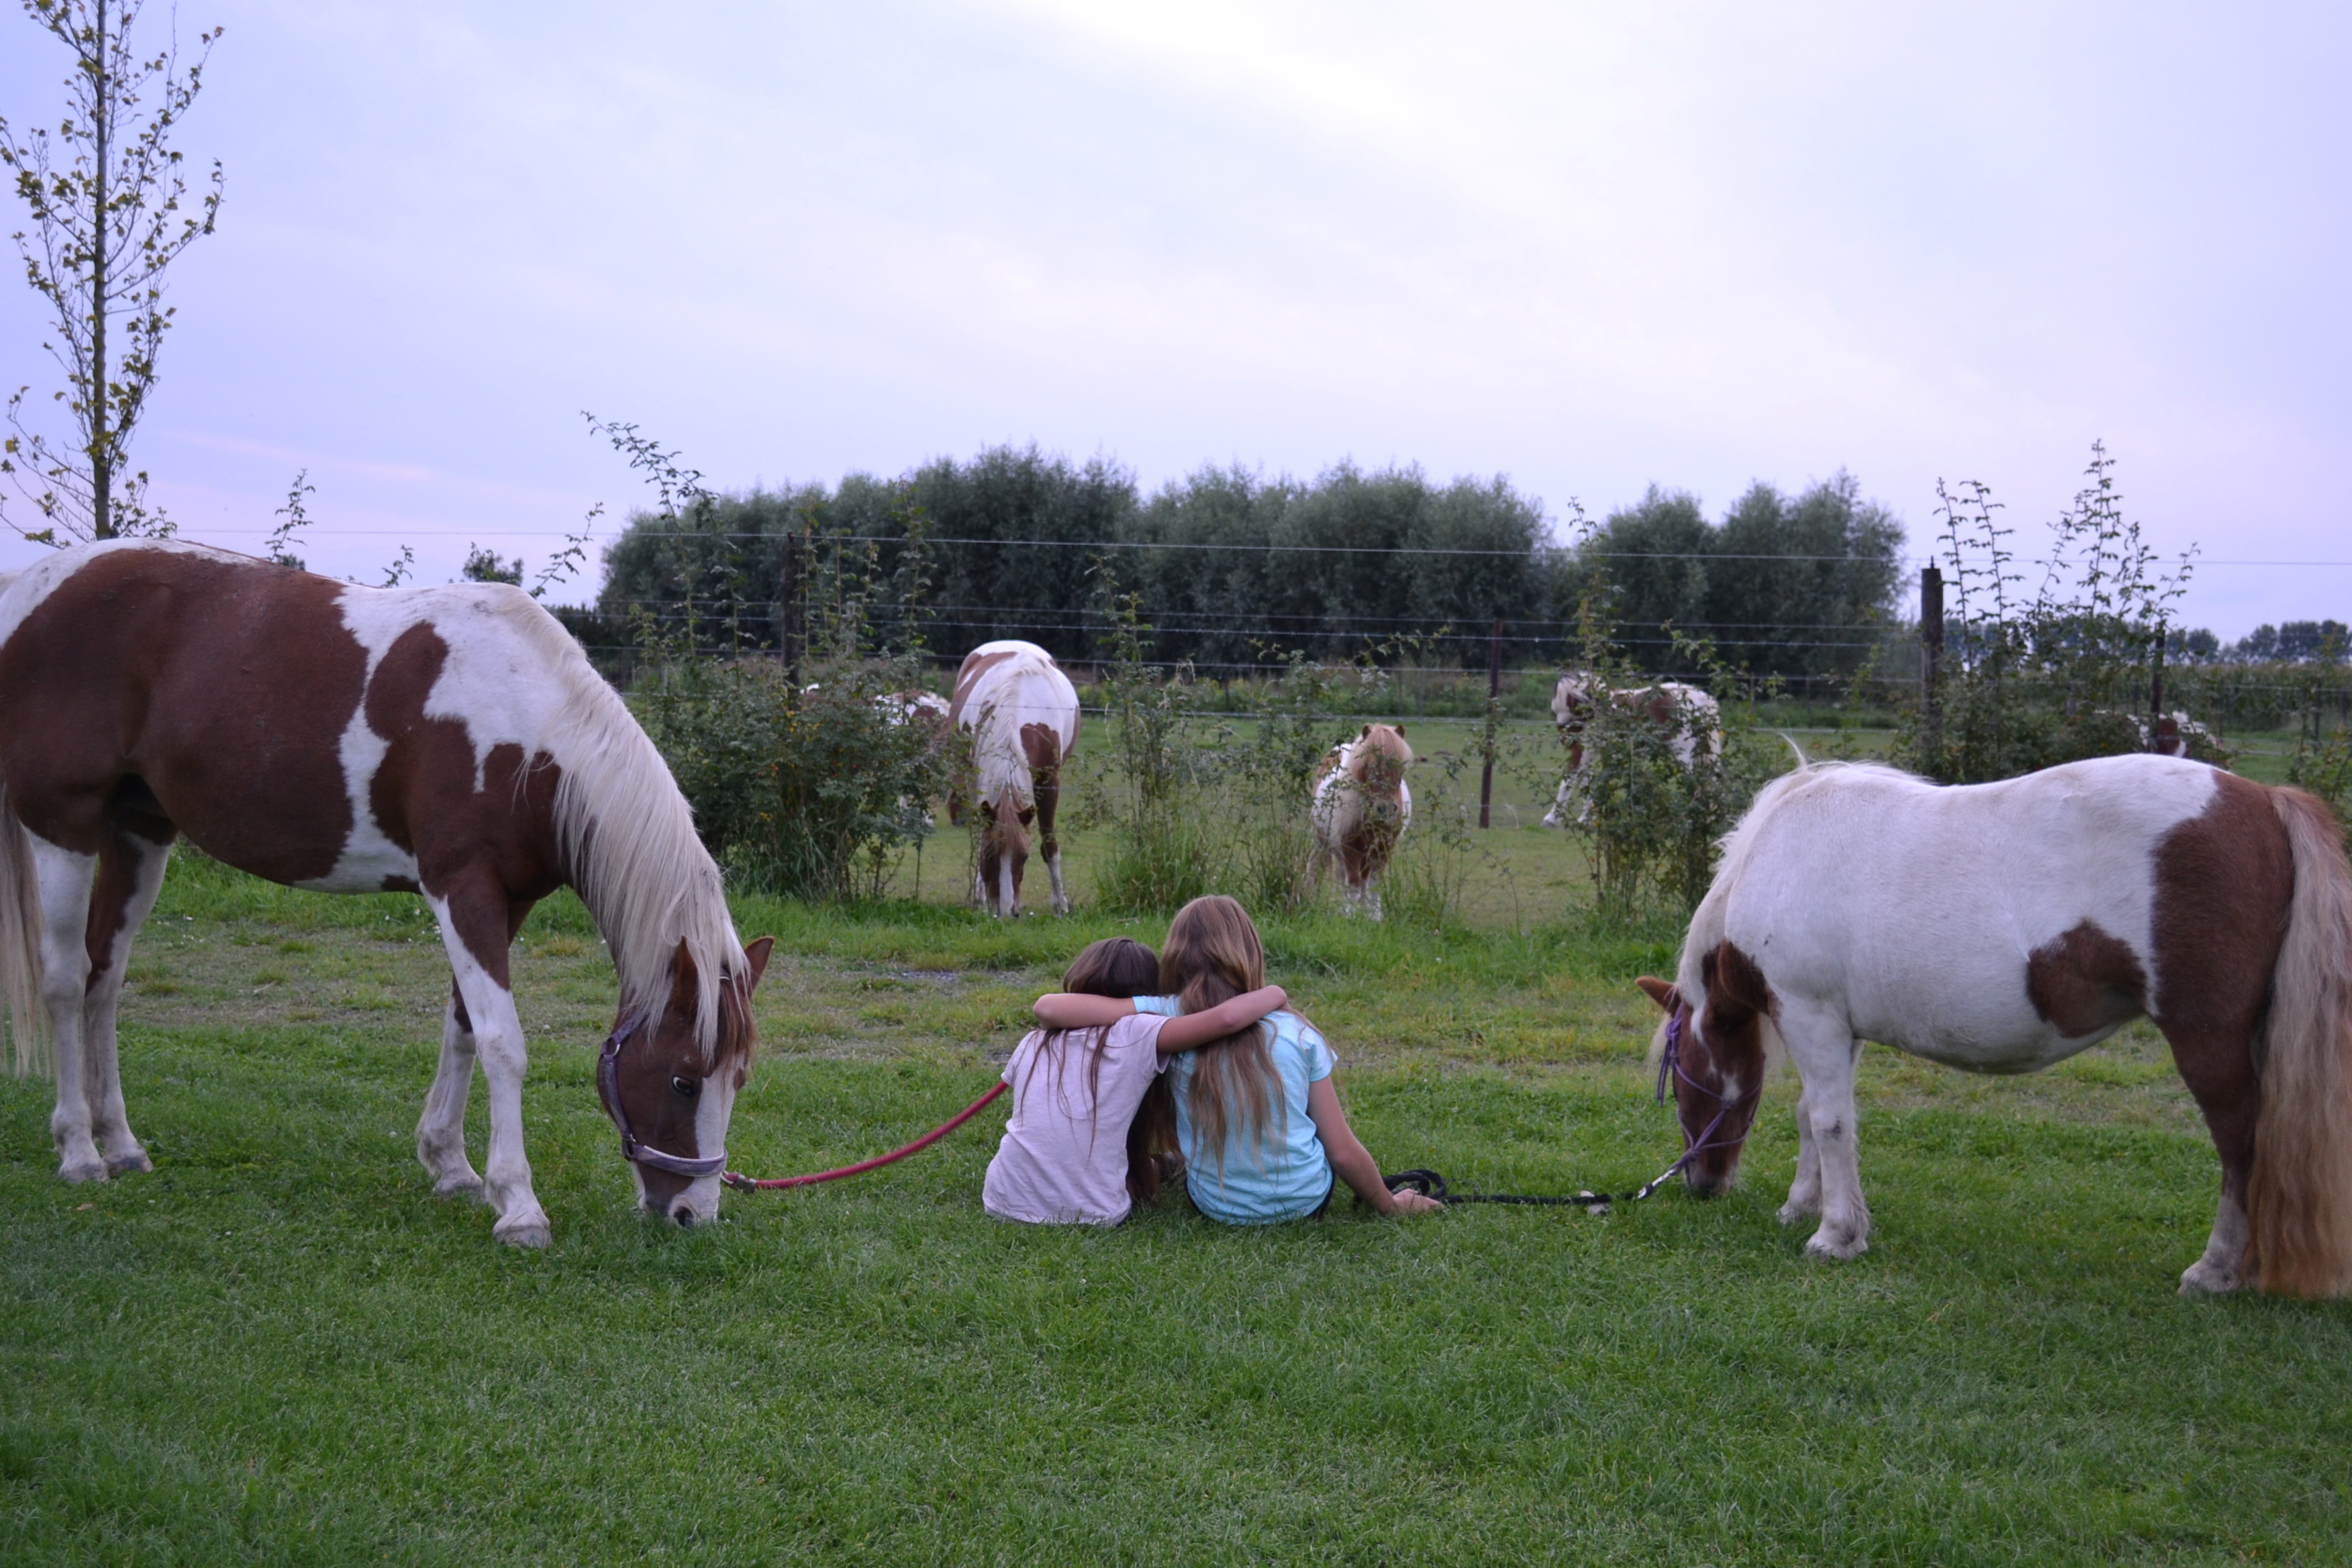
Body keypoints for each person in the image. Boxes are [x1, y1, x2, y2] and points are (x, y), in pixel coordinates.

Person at [1032, 896, 1442, 1224]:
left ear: (1175, 956)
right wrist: (1389, 1204)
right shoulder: (1298, 1032)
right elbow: (1342, 1152)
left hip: (1215, 1207)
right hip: (1306, 1204)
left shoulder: (1164, 1014)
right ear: (1249, 953)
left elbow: (1049, 1008)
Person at [983, 936, 1290, 1226]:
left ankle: (1154, 1166)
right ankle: (1155, 1167)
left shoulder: (1034, 1041)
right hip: (1093, 1212)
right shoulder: (1140, 1031)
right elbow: (1226, 1020)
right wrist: (1274, 993)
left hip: (1002, 1199)